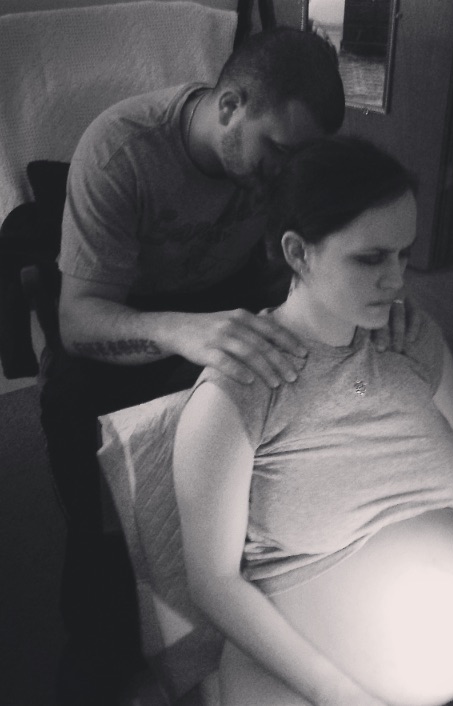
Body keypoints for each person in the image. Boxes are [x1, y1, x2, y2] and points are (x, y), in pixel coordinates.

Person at [173, 136, 453, 706]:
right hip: (312, 680)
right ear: (299, 253)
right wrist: (337, 693)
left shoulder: (414, 340)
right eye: (371, 258)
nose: (396, 281)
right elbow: (213, 583)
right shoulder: (240, 387)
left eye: (403, 254)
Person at [44, 26, 350, 706]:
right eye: (278, 150)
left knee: (266, 476)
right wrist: (180, 330)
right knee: (102, 530)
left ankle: (230, 630)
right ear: (230, 106)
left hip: (222, 302)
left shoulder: (282, 160)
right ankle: (97, 657)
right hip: (120, 319)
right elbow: (77, 321)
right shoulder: (121, 151)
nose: (287, 172)